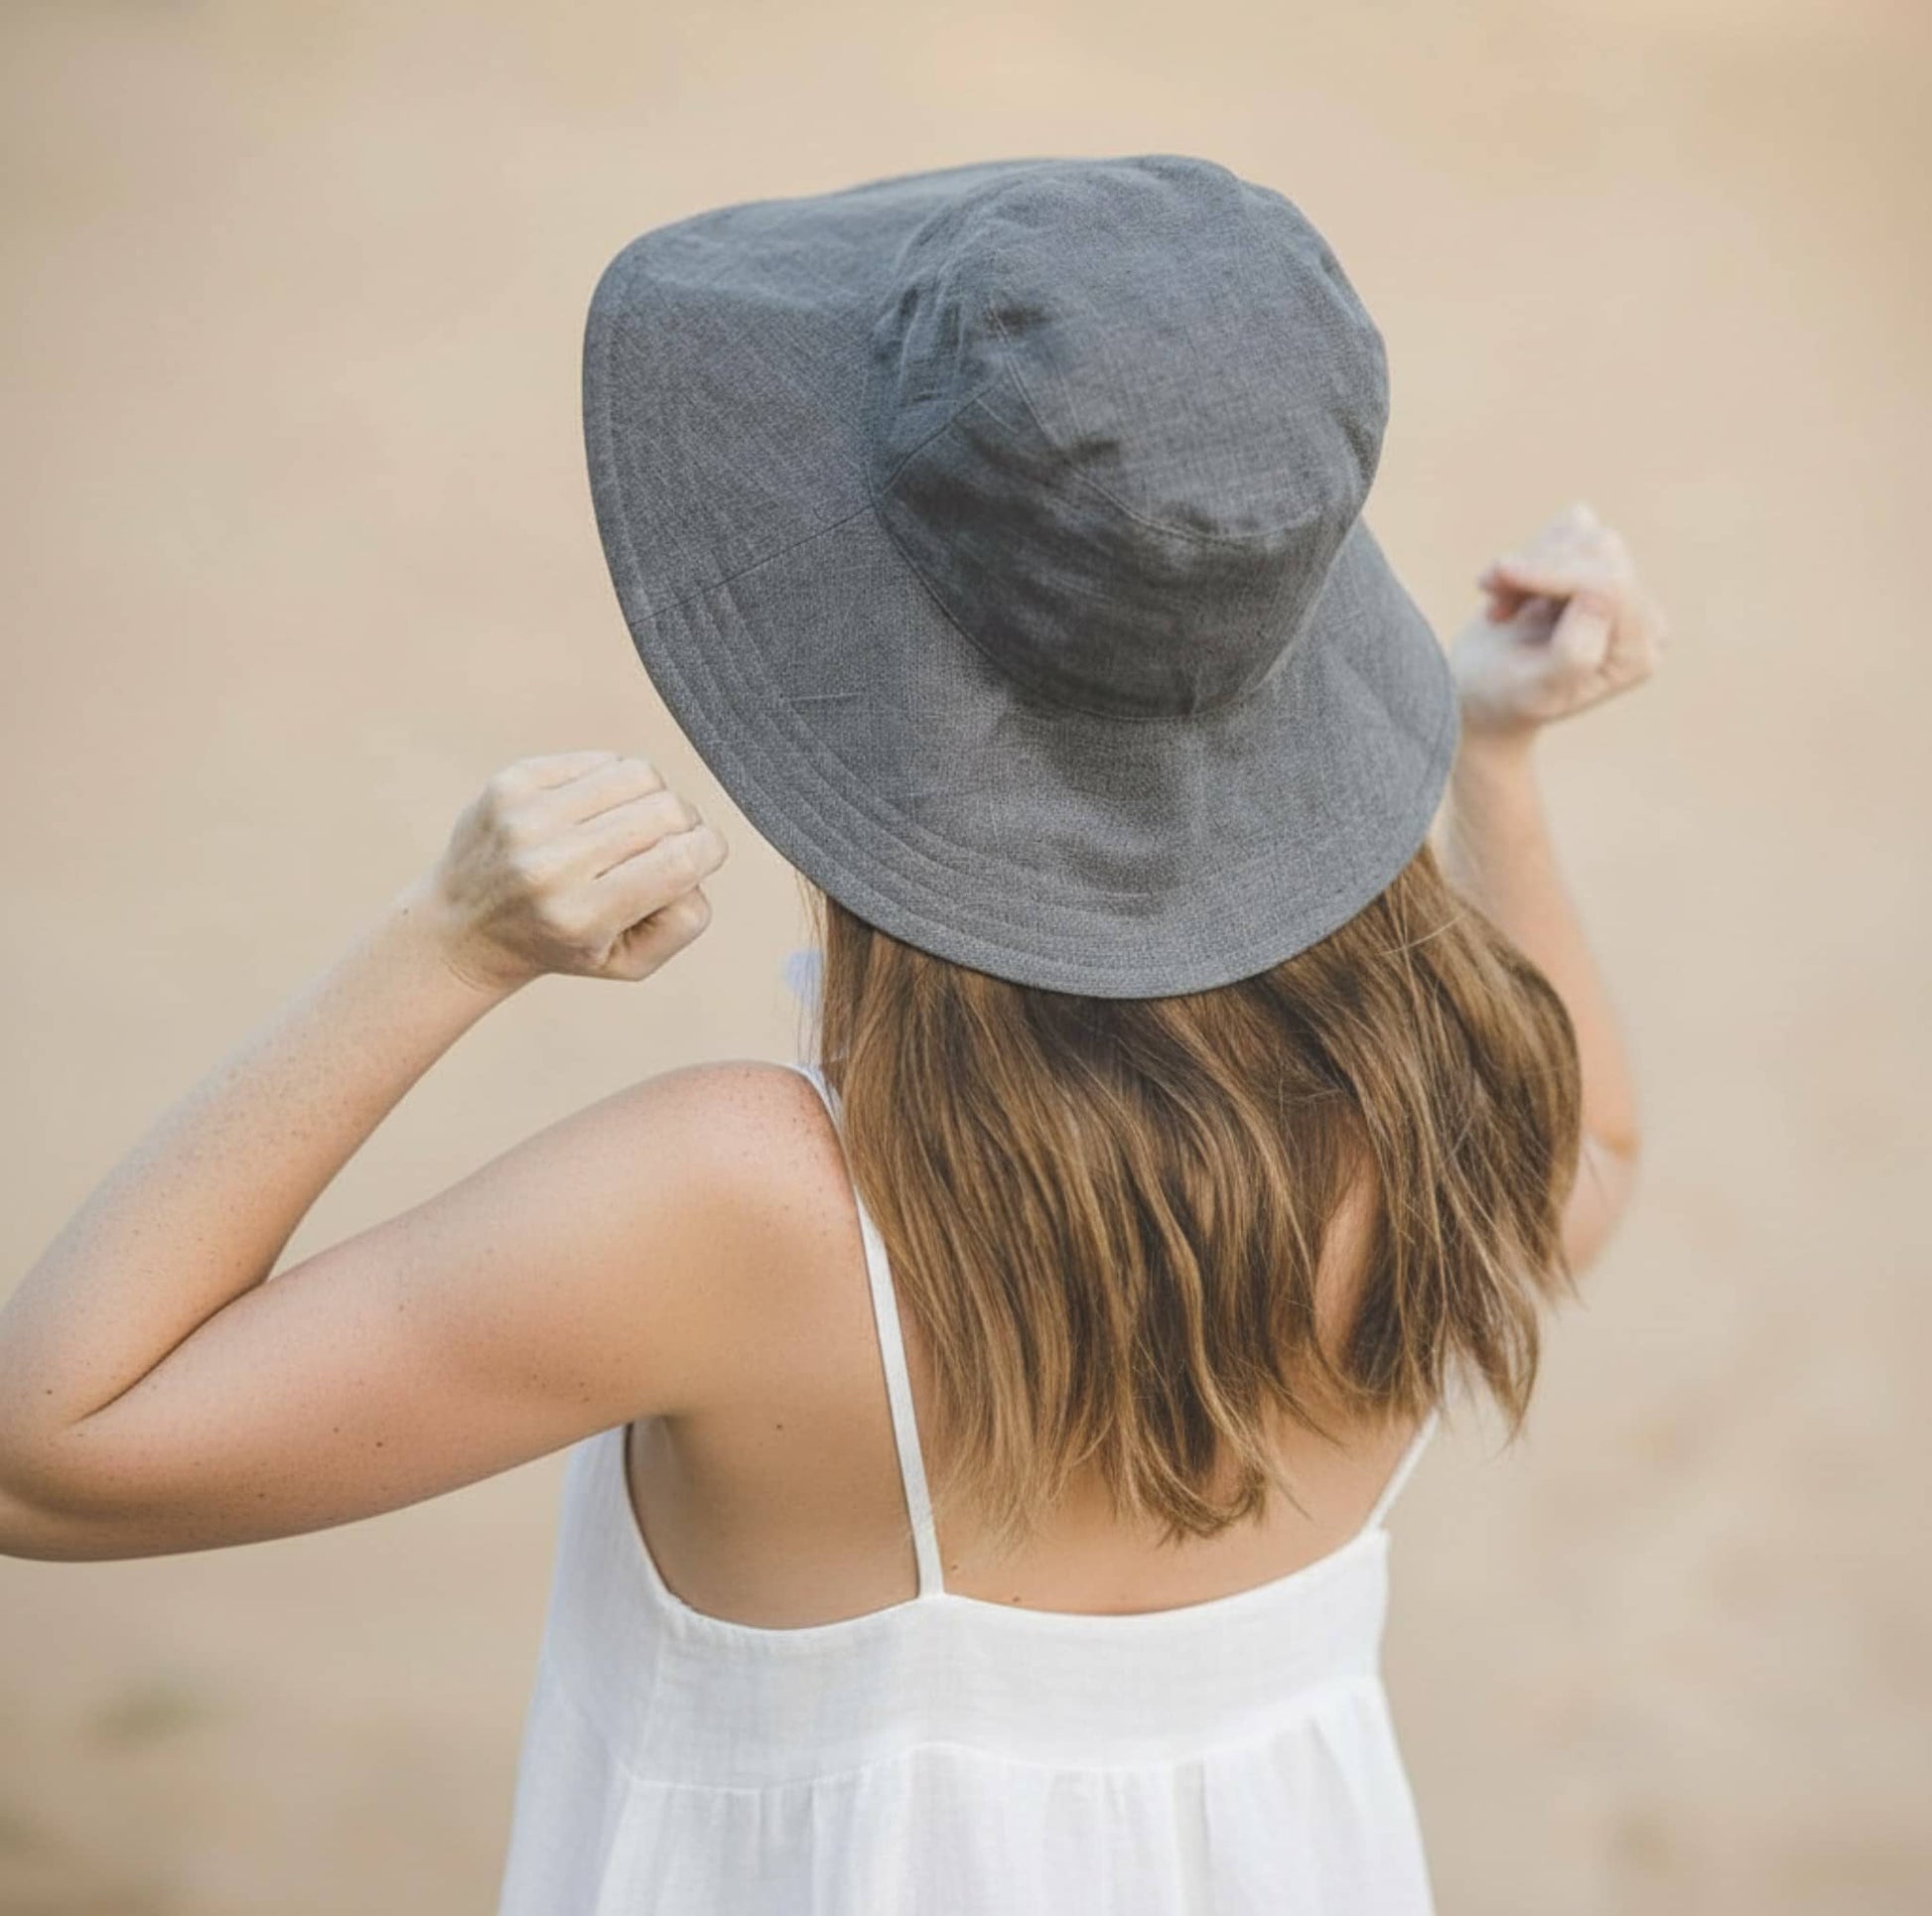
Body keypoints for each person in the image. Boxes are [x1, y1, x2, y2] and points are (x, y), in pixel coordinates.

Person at [0, 155, 1665, 1911]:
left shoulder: (754, 1203)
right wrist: (1486, 760)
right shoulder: (1459, 1101)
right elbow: (1602, 1156)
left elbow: (58, 1448)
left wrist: (443, 950)